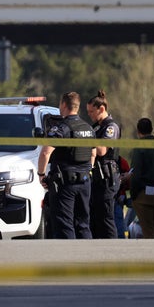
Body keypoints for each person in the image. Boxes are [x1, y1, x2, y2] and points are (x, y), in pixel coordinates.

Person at [37, 91, 97, 239]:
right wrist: (88, 170)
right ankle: (87, 258)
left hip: (65, 183)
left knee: (65, 224)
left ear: (64, 105)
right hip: (84, 182)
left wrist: (41, 175)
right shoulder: (88, 128)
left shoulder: (61, 128)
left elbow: (45, 152)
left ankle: (70, 259)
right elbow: (93, 154)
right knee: (83, 223)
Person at [86, 90, 121, 239]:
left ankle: (113, 250)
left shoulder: (110, 127)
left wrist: (86, 142)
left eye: (91, 111)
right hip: (97, 178)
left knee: (106, 218)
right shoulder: (95, 127)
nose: (89, 114)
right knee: (95, 218)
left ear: (101, 109)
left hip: (107, 177)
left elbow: (101, 150)